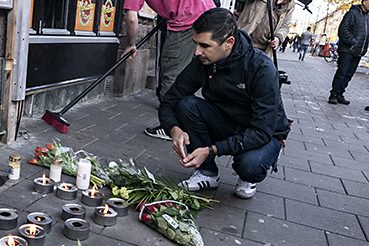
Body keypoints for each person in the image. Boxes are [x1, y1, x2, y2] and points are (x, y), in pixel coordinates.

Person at [159, 8, 290, 199]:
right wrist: (174, 129)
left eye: (205, 45)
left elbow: (261, 130)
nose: (197, 52)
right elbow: (169, 101)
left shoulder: (261, 68)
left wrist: (212, 150)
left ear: (229, 43)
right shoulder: (204, 61)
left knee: (248, 166)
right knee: (187, 105)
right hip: (226, 122)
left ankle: (261, 161)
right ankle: (207, 172)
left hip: (262, 132)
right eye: (195, 44)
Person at [123, 0, 216, 141]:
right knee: (191, 72)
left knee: (171, 75)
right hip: (209, 13)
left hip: (186, 20)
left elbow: (131, 18)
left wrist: (131, 43)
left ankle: (171, 128)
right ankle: (188, 120)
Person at [328, 0, 369, 105]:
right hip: (347, 50)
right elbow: (343, 30)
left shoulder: (367, 17)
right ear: (364, 1)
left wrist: (364, 47)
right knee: (342, 73)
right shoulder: (352, 13)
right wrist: (353, 42)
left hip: (358, 51)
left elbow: (366, 35)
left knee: (349, 74)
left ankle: (340, 93)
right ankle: (334, 94)